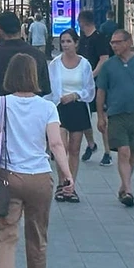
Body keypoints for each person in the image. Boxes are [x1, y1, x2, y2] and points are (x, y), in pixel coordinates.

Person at [0, 53, 74, 268]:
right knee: (37, 234)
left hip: (8, 178)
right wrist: (67, 175)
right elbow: (56, 144)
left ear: (9, 76)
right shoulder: (47, 108)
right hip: (39, 178)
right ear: (34, 76)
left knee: (5, 235)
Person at [95, 30, 134, 208]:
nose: (114, 46)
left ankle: (124, 185)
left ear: (128, 42)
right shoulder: (108, 66)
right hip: (116, 114)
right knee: (123, 151)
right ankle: (129, 190)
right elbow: (101, 92)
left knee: (132, 152)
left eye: (118, 42)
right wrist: (100, 116)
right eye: (112, 43)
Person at [0, 11, 51, 142]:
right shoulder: (37, 55)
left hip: (1, 116)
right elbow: (44, 90)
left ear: (0, 30)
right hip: (31, 118)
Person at [45, 29, 96, 204]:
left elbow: (90, 89)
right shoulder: (55, 64)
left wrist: (75, 95)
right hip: (59, 108)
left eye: (69, 41)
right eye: (63, 42)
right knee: (61, 147)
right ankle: (61, 183)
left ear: (76, 43)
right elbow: (49, 88)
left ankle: (70, 185)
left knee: (74, 149)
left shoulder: (85, 64)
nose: (65, 45)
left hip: (78, 107)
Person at [76, 9, 112, 166]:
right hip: (83, 84)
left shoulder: (99, 38)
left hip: (98, 84)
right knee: (83, 116)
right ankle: (91, 144)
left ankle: (108, 152)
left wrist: (92, 74)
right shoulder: (82, 39)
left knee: (102, 117)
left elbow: (104, 59)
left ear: (83, 22)